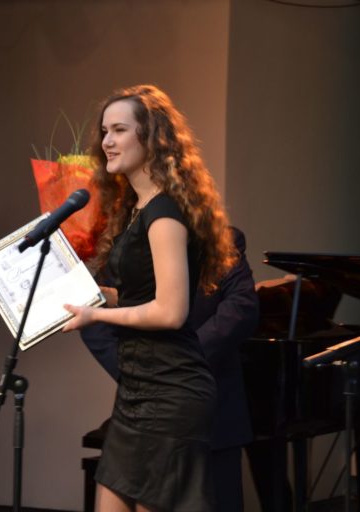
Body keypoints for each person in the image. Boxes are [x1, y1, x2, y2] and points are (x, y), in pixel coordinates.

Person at [62, 84, 238, 511]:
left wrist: (96, 316)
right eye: (105, 130)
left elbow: (170, 311)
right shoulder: (137, 209)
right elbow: (139, 297)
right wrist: (97, 296)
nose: (106, 141)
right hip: (137, 390)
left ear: (152, 138)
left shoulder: (163, 213)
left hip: (171, 391)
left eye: (119, 130)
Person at [81, 226, 259, 512]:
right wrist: (138, 370)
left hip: (214, 413)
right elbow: (95, 321)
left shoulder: (222, 238)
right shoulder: (123, 242)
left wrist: (180, 361)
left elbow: (241, 308)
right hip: (143, 408)